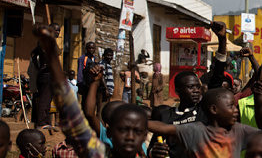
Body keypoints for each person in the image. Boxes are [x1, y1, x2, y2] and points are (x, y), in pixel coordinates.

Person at [33, 24, 149, 158]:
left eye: (137, 131)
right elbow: (88, 113)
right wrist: (94, 82)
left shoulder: (142, 149)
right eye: (123, 129)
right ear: (110, 132)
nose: (130, 137)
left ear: (143, 135)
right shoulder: (107, 143)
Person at [148, 88, 262, 158]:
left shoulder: (239, 131)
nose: (236, 110)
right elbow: (164, 128)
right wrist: (140, 121)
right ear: (214, 109)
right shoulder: (196, 131)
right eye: (231, 106)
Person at [147, 70, 208, 158]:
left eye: (198, 87)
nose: (196, 91)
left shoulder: (204, 112)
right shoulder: (166, 116)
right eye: (191, 87)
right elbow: (152, 148)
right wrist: (154, 152)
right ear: (177, 91)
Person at [29, 22, 59, 129]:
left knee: (47, 99)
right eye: (55, 30)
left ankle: (45, 121)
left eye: (59, 30)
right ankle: (41, 122)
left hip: (49, 75)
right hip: (46, 74)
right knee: (44, 99)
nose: (58, 32)